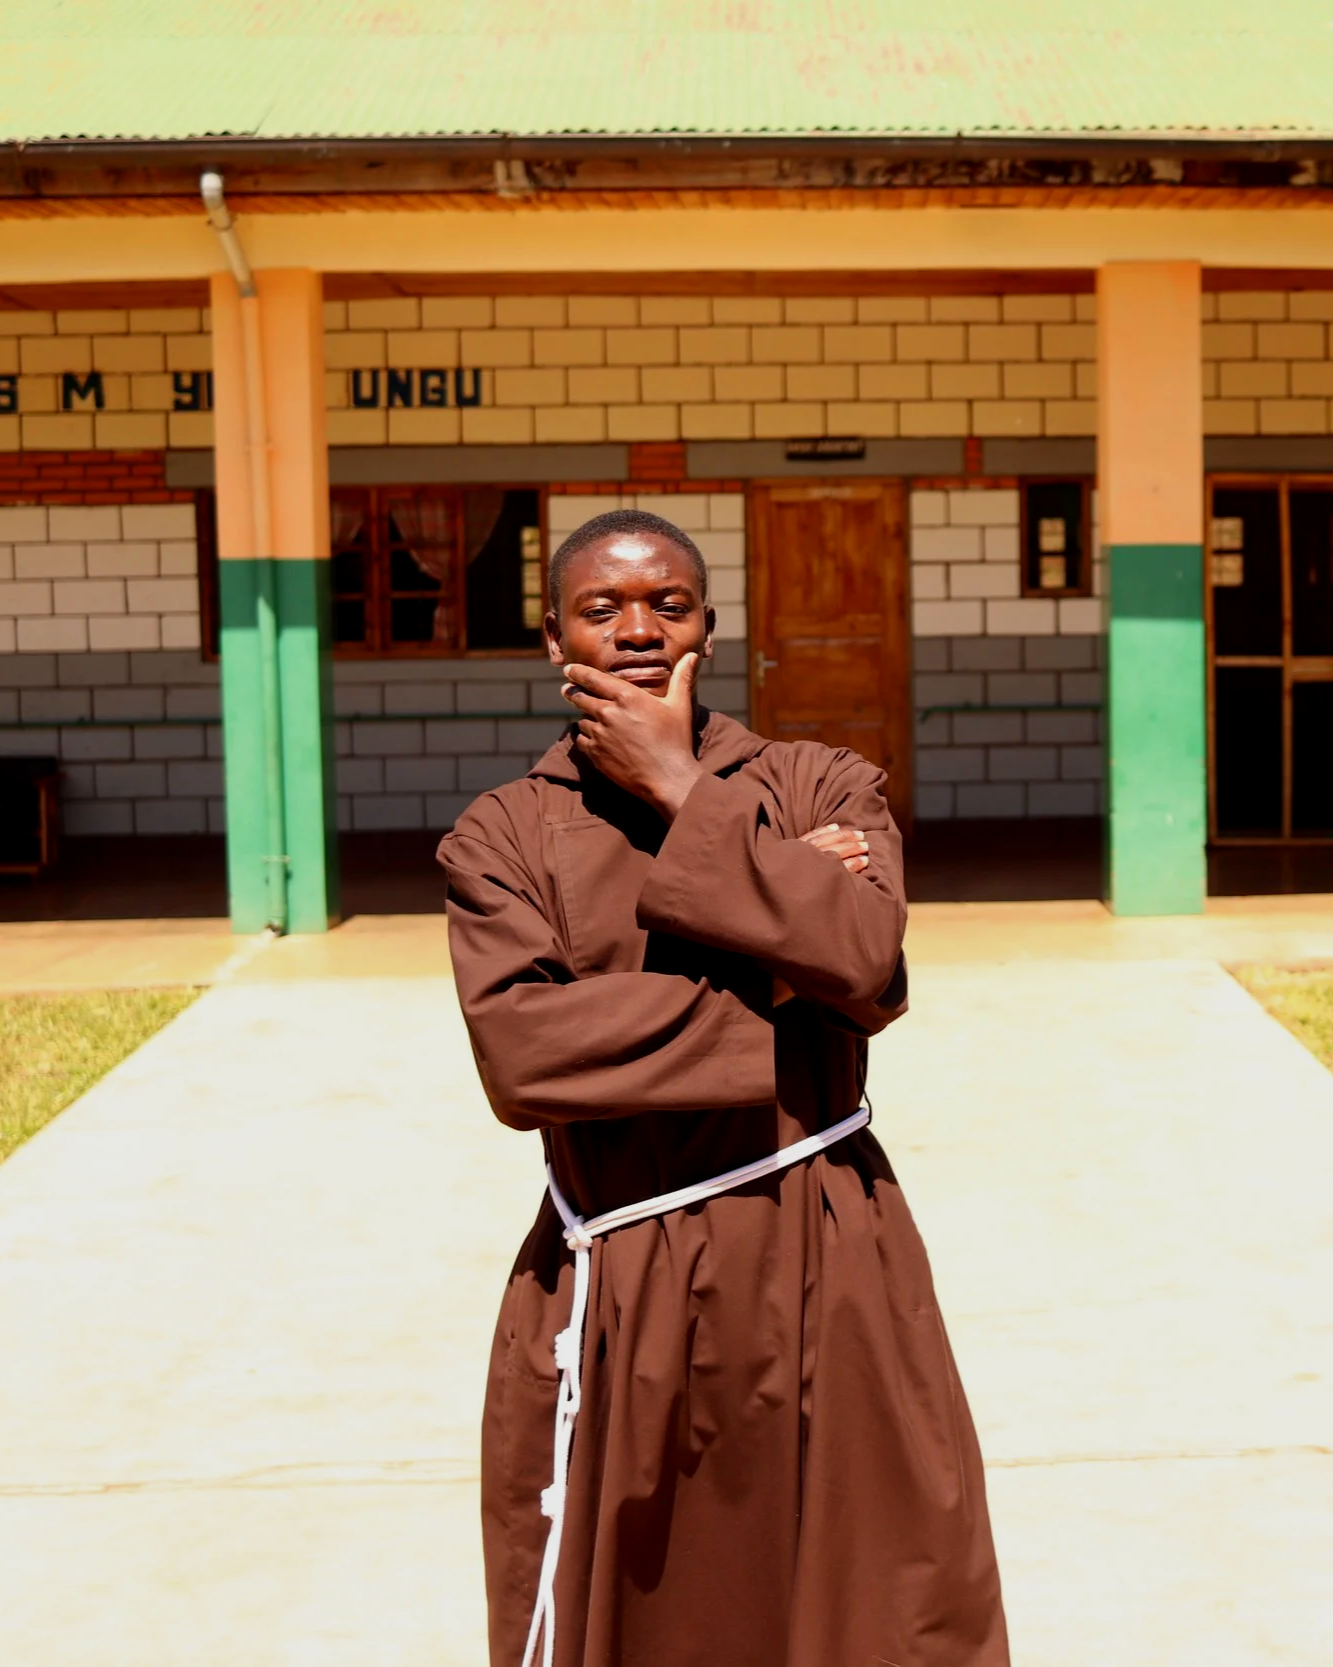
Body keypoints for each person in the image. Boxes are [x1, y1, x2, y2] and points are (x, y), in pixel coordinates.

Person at [437, 509, 1009, 1667]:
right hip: (623, 1270)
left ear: (711, 622)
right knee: (658, 1614)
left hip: (827, 1245)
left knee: (878, 1594)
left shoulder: (819, 782)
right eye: (602, 610)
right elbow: (526, 1055)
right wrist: (778, 959)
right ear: (555, 640)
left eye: (671, 604)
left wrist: (684, 788)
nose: (638, 631)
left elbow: (865, 966)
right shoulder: (501, 834)